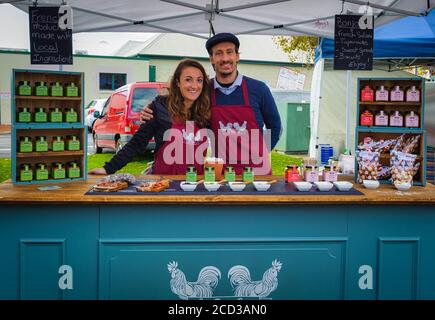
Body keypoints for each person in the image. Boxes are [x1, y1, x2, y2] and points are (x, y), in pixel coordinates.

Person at [141, 33, 282, 175]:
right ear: (212, 59)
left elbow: (275, 127)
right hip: (221, 173)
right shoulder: (203, 91)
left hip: (257, 173)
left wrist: (259, 154)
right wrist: (152, 109)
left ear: (237, 56)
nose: (225, 58)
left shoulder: (259, 89)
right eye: (218, 53)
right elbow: (180, 106)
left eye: (229, 52)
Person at [89, 59, 210, 175]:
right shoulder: (160, 107)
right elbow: (137, 142)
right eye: (188, 80)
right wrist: (108, 168)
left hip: (195, 183)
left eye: (199, 80)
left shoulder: (206, 111)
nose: (195, 86)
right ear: (178, 82)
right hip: (164, 183)